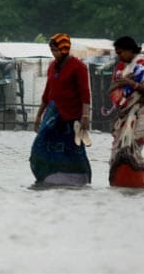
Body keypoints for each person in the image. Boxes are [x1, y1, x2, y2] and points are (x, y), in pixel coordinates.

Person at [30, 33, 92, 186]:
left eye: (56, 50)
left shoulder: (79, 67)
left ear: (64, 49)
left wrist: (85, 116)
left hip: (71, 115)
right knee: (41, 144)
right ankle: (47, 175)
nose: (53, 53)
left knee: (73, 149)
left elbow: (85, 93)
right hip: (53, 114)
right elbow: (47, 93)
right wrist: (39, 116)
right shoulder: (52, 66)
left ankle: (78, 179)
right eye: (51, 50)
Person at [107, 36, 144, 188]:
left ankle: (139, 181)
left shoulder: (143, 64)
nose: (119, 56)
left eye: (121, 52)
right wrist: (121, 83)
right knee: (118, 149)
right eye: (117, 53)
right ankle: (120, 181)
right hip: (124, 113)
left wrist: (131, 83)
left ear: (130, 50)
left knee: (135, 145)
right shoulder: (120, 68)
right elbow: (112, 89)